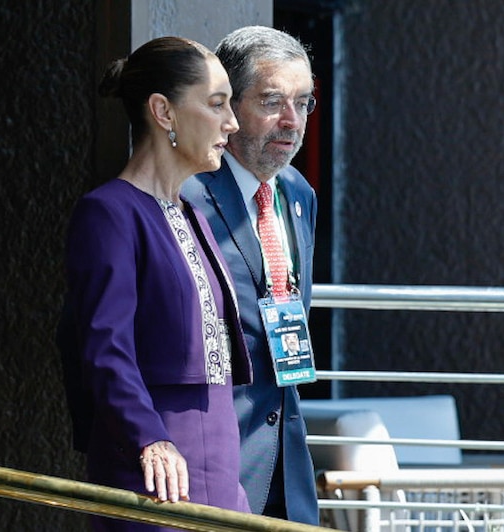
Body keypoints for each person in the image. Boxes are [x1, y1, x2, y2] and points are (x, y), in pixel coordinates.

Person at [56, 36, 251, 532]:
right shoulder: (109, 212)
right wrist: (149, 439)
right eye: (216, 104)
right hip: (155, 461)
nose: (232, 122)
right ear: (163, 111)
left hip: (222, 460)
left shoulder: (193, 215)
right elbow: (104, 348)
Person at [182, 26, 319, 524]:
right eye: (272, 101)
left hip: (288, 461)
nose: (292, 121)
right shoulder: (186, 194)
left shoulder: (299, 194)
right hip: (213, 461)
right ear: (228, 106)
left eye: (303, 103)